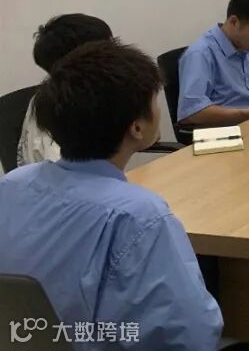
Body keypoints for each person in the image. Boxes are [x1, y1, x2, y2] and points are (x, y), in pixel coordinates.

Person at [0, 41, 224, 349]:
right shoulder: (138, 215)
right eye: (155, 102)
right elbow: (189, 335)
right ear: (137, 128)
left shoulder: (13, 184)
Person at [17, 13, 114, 167]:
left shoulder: (84, 95)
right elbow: (68, 172)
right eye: (109, 49)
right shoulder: (60, 110)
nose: (118, 56)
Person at [178, 0, 249, 127]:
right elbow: (192, 112)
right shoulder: (201, 54)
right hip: (230, 131)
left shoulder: (248, 46)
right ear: (234, 22)